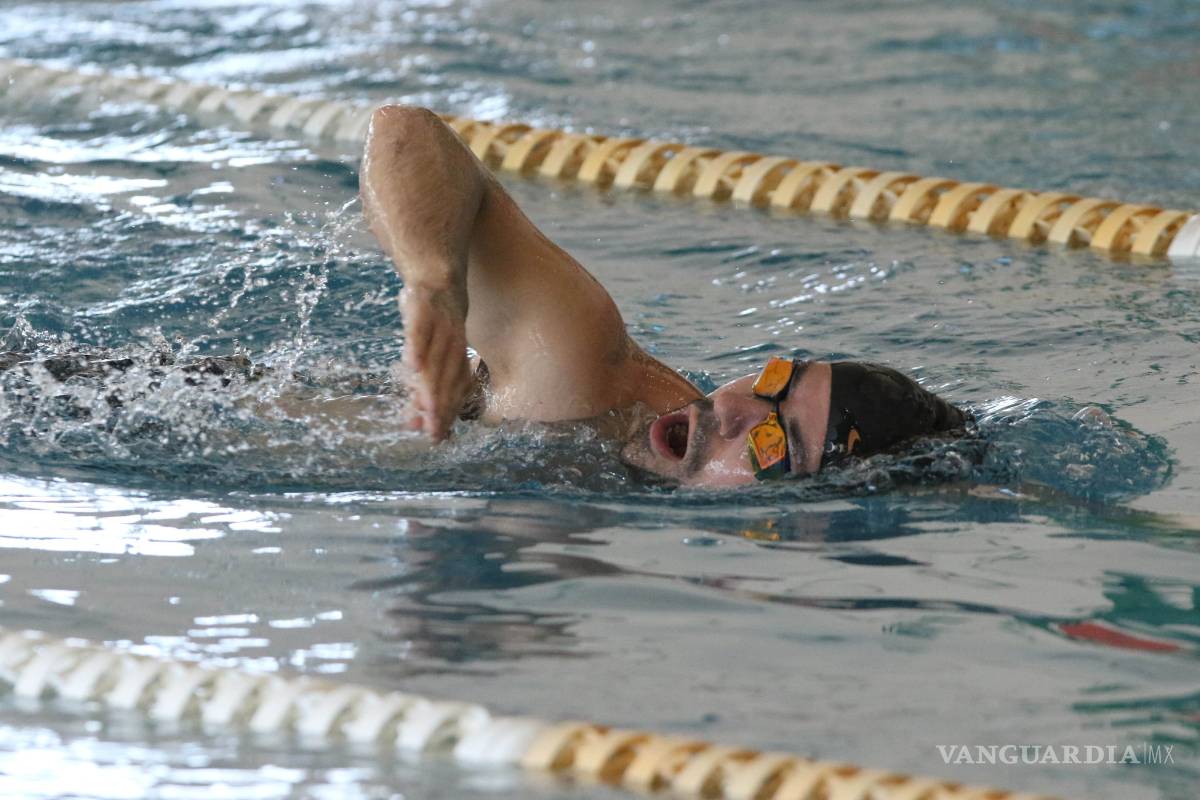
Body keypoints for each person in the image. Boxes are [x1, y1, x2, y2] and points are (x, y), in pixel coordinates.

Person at [361, 105, 968, 488]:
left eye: (774, 439)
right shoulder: (581, 381)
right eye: (772, 382)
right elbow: (405, 131)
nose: (733, 411)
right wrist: (435, 281)